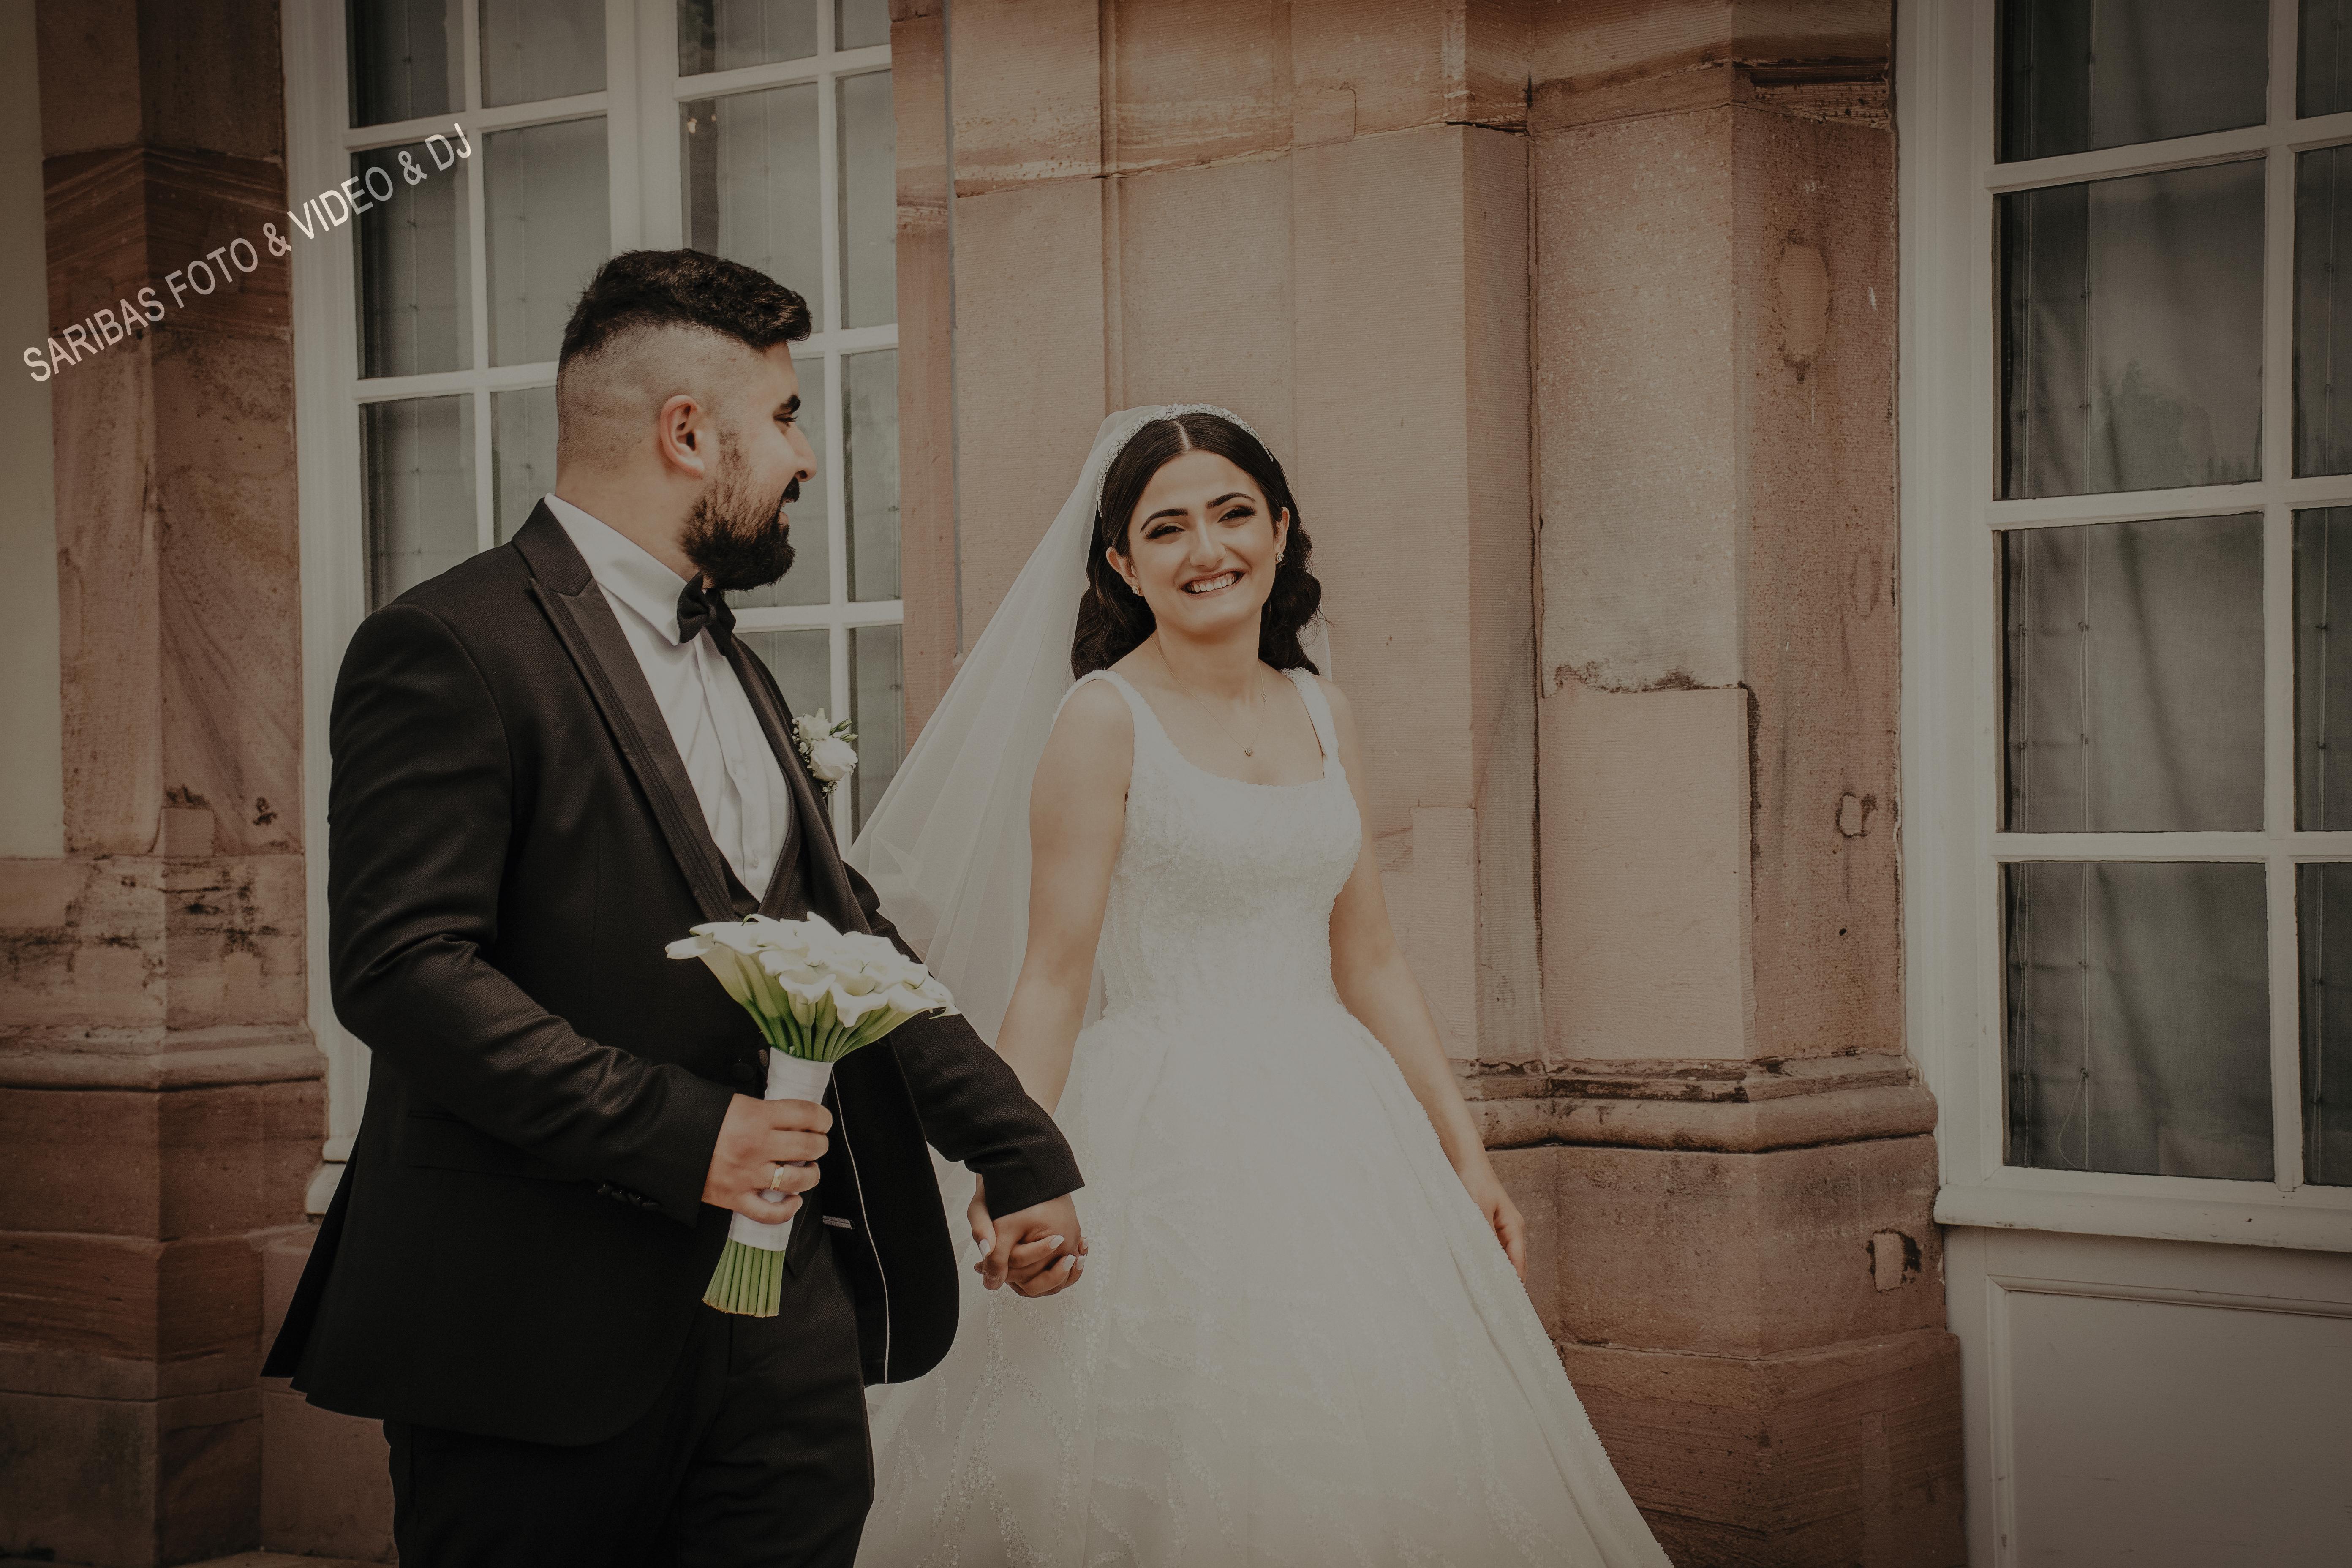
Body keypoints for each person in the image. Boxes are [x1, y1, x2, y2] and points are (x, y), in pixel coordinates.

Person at [263, 249, 1090, 1568]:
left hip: (780, 1312)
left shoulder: (738, 664)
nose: (806, 457)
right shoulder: (449, 644)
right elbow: (403, 966)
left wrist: (1011, 1143)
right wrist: (682, 1130)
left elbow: (841, 937)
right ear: (688, 434)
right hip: (530, 1319)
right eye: (785, 417)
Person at [847, 406, 1672, 1565]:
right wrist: (1008, 1160)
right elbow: (1050, 977)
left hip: (1342, 1125)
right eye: (1168, 528)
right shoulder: (1101, 722)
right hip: (1155, 1129)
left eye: (1234, 514)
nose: (1208, 550)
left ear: (1281, 532)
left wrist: (1464, 1150)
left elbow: (1372, 955)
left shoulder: (1324, 710)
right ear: (1126, 567)